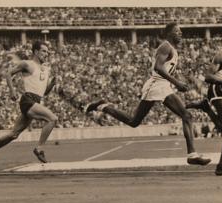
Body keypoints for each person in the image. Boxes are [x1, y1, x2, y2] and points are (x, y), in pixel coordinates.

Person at [84, 23, 211, 166]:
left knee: (135, 121)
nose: (180, 34)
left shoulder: (173, 49)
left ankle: (103, 106)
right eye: (177, 31)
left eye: (181, 31)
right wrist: (176, 83)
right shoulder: (166, 46)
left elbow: (164, 70)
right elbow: (158, 68)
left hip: (162, 85)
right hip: (156, 85)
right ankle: (192, 154)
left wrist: (176, 82)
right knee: (185, 115)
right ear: (169, 33)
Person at [0, 41, 57, 167]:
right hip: (28, 100)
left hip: (36, 100)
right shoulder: (27, 64)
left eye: (47, 51)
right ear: (36, 52)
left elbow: (43, 93)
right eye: (44, 51)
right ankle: (39, 149)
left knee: (14, 134)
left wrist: (52, 85)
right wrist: (12, 91)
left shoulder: (46, 69)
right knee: (53, 119)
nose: (46, 54)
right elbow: (8, 74)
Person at [186, 30, 222, 175]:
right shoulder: (221, 55)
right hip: (218, 90)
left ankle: (206, 108)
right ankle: (221, 166)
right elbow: (208, 76)